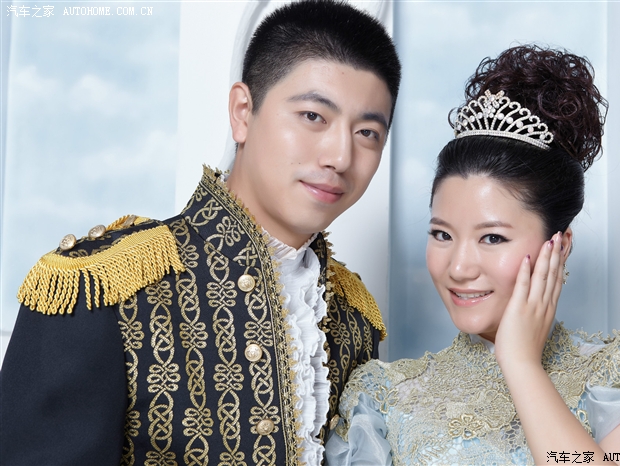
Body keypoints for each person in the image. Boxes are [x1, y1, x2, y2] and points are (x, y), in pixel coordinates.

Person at [0, 1, 400, 464]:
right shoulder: (97, 287)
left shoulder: (354, 320)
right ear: (243, 112)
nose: (340, 156)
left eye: (368, 133)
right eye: (313, 116)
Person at [325, 45, 620, 465]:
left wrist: (521, 364)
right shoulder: (383, 400)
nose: (458, 268)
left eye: (492, 238)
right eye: (442, 234)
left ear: (559, 245)